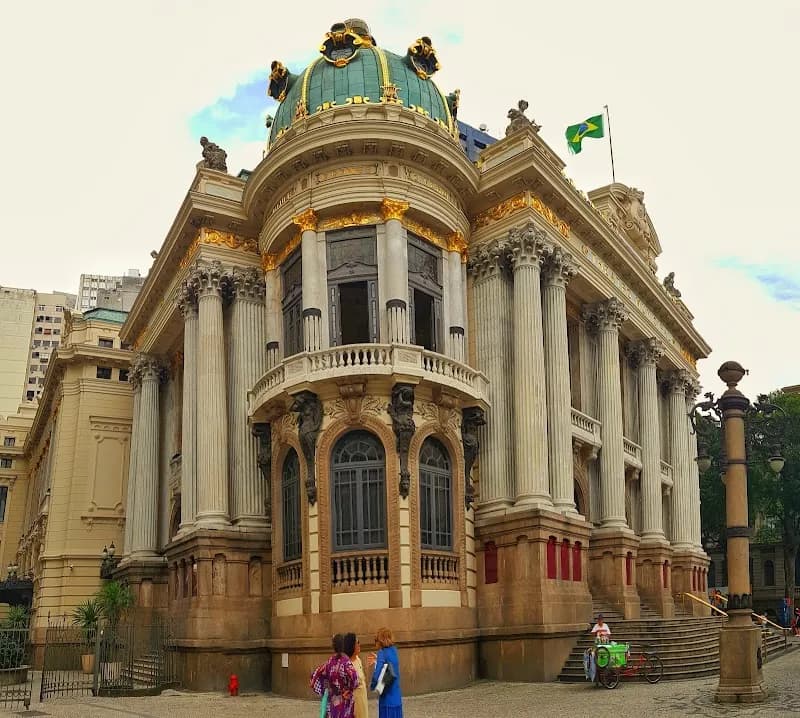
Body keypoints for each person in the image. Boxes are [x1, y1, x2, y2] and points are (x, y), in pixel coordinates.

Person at [311, 634, 360, 718]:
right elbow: (355, 679)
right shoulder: (346, 662)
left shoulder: (330, 661)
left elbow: (316, 674)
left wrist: (327, 689)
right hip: (345, 700)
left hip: (334, 700)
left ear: (333, 647)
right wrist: (349, 689)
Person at [368, 627, 403, 718]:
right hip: (396, 697)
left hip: (386, 698)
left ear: (380, 640)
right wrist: (377, 660)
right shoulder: (394, 650)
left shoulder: (382, 652)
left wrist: (372, 686)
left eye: (376, 640)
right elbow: (390, 666)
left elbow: (377, 674)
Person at [343, 633, 368, 718]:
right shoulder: (347, 665)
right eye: (357, 642)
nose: (359, 644)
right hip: (354, 701)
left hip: (362, 698)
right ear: (352, 646)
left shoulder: (358, 659)